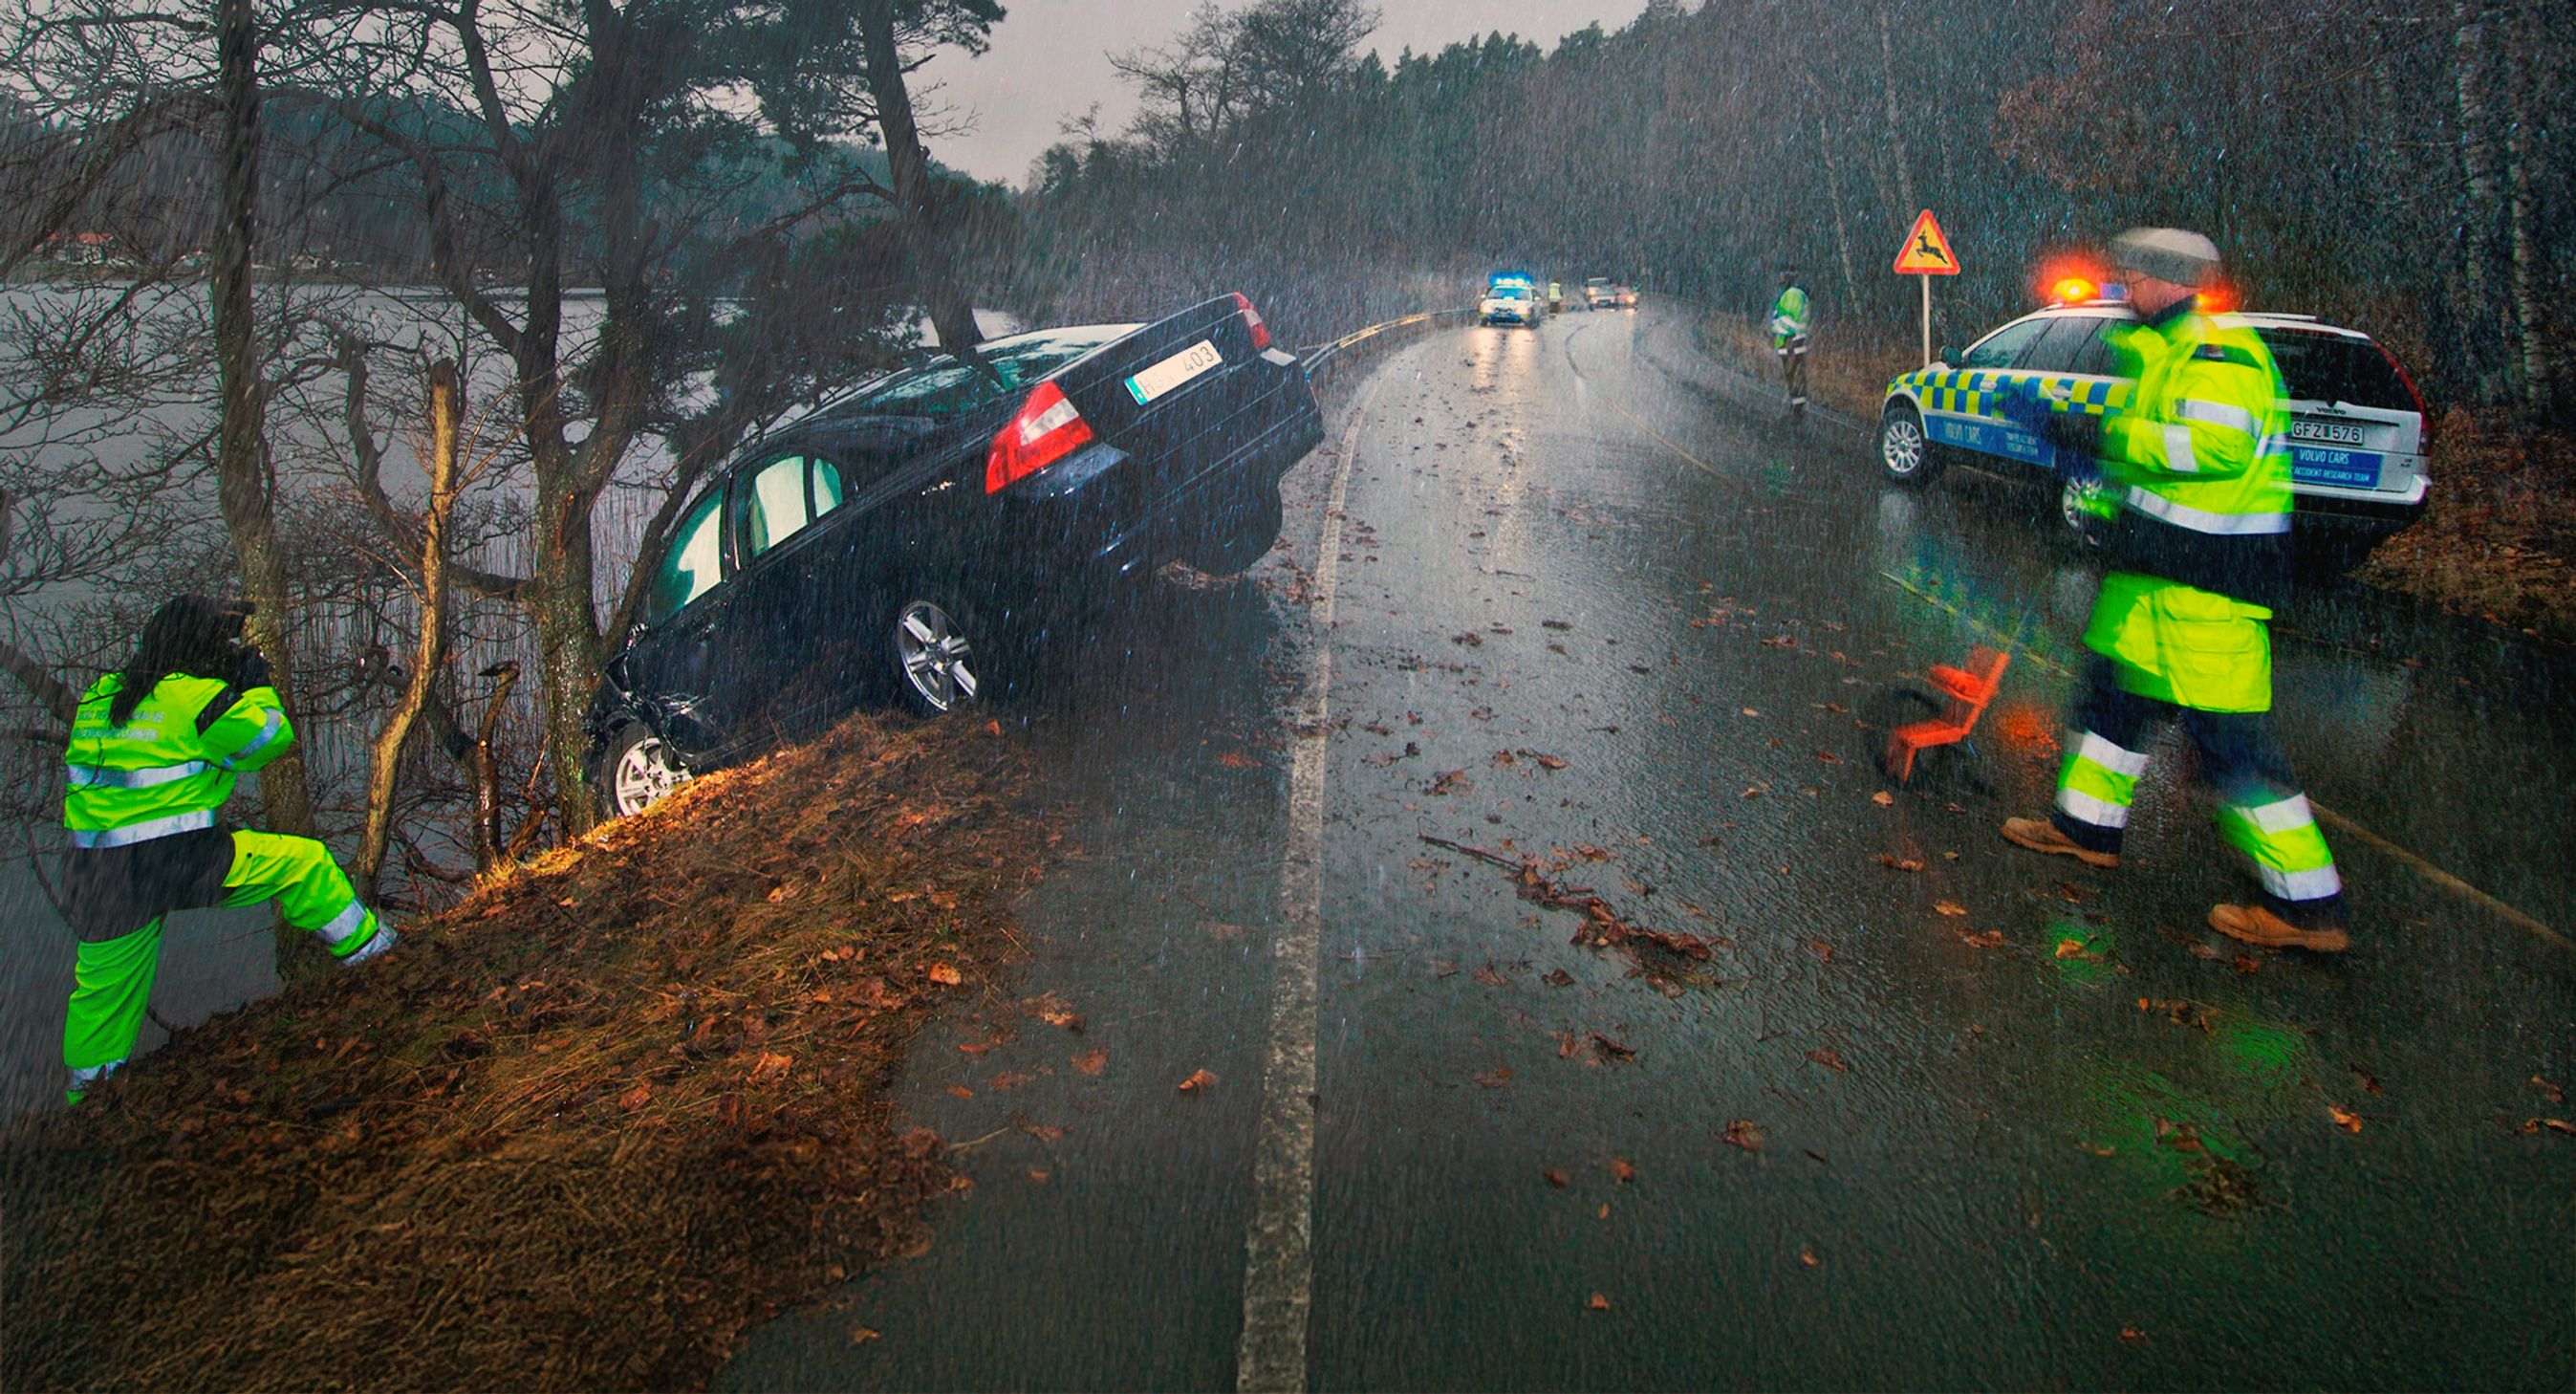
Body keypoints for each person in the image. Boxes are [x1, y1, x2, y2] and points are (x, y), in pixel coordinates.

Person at [1994, 228, 2347, 952]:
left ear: (2169, 281)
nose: (2125, 286)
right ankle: (2086, 830)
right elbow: (2151, 461)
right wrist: (2094, 467)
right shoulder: (2164, 350)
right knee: (2107, 707)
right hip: (2151, 581)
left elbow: (2212, 446)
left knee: (2235, 750)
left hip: (2206, 592)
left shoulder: (2218, 353)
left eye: (2134, 276)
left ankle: (2307, 909)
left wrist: (2099, 435)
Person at [58, 595, 395, 1104]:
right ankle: (377, 957)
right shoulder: (196, 697)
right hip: (176, 859)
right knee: (303, 864)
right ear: (200, 647)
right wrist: (254, 683)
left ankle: (86, 1101)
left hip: (95, 873)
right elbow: (268, 740)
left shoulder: (98, 697)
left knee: (104, 994)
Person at [1767, 270, 1811, 410]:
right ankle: (1797, 402)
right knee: (1795, 371)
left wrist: (1782, 336)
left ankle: (1796, 401)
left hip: (1789, 340)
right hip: (1794, 339)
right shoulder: (1794, 296)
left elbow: (1785, 319)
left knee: (1792, 371)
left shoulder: (1790, 296)